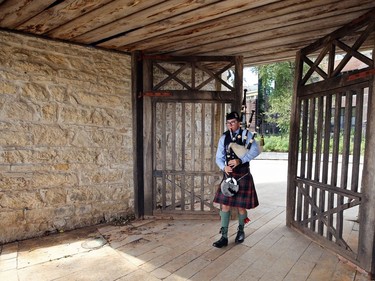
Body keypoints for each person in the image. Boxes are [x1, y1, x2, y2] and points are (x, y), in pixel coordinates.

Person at [212, 111, 260, 248]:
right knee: (225, 205)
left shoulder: (246, 135)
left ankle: (240, 231)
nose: (230, 125)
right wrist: (223, 167)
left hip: (243, 175)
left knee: (241, 206)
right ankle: (224, 236)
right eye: (228, 123)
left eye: (232, 122)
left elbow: (255, 151)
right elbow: (218, 157)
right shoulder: (224, 138)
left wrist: (241, 160)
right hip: (229, 176)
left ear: (238, 122)